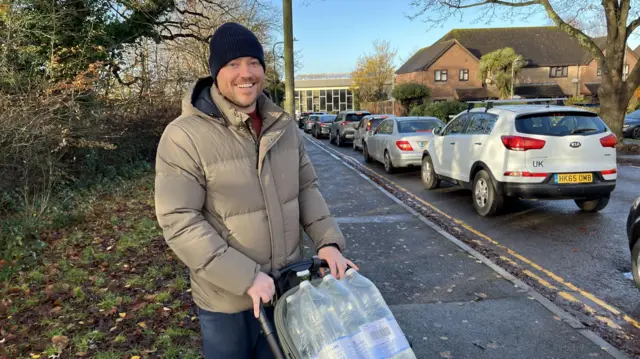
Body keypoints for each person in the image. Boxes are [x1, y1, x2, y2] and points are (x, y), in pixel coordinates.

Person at [154, 22, 358, 359]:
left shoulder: (284, 125)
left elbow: (305, 189)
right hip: (227, 303)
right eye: (233, 64)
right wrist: (246, 277)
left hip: (285, 291)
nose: (245, 73)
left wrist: (330, 242)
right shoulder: (184, 136)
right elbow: (179, 220)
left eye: (253, 62)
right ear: (216, 73)